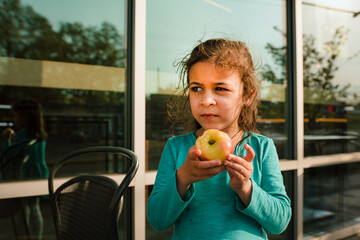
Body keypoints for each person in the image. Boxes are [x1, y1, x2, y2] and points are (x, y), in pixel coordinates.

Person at [147, 38, 292, 239]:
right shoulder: (176, 147)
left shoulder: (262, 148)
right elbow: (157, 220)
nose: (206, 101)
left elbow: (280, 222)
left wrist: (246, 188)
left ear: (247, 96)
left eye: (220, 88)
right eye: (196, 88)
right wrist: (183, 178)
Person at [2, 98, 48, 240]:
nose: (14, 119)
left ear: (24, 116)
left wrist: (6, 141)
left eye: (15, 115)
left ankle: (26, 235)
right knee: (35, 207)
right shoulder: (40, 136)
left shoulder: (21, 136)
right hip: (38, 173)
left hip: (24, 175)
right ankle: (37, 237)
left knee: (25, 209)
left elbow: (9, 155)